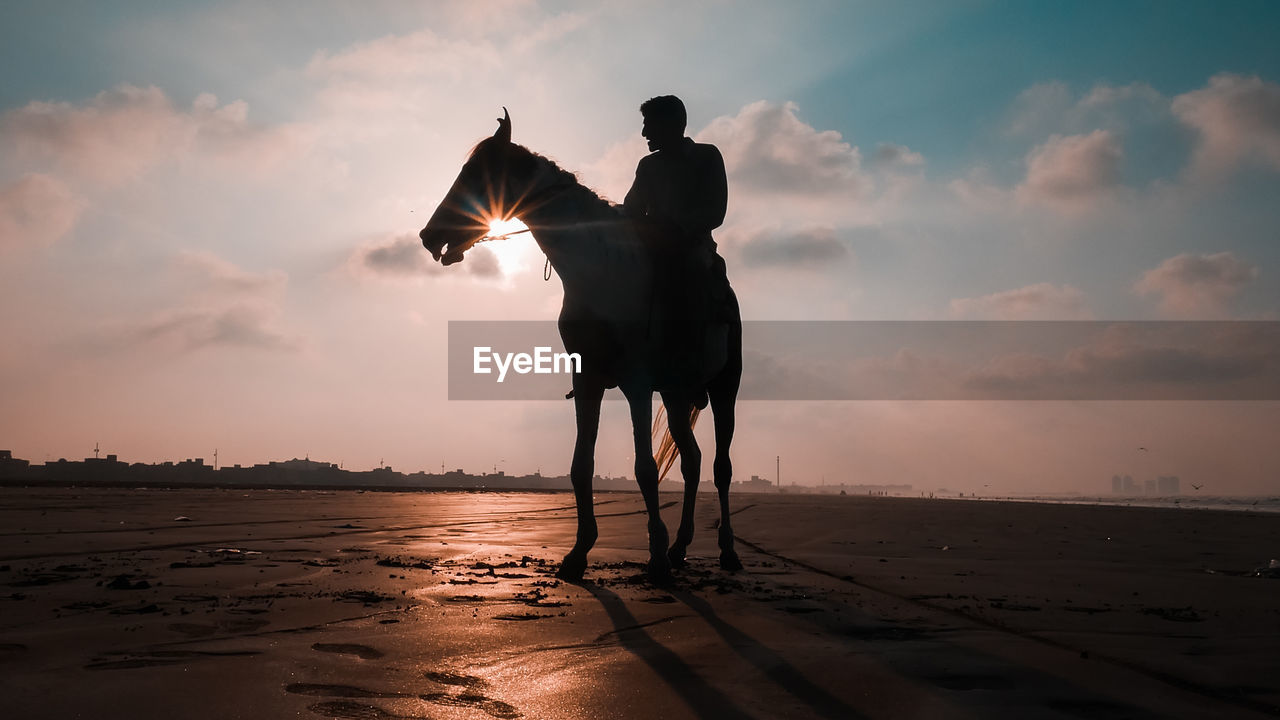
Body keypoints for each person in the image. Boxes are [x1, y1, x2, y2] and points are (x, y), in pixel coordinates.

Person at [622, 96, 730, 388]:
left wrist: (673, 227)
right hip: (653, 249)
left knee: (693, 274)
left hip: (692, 249)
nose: (644, 133)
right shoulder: (647, 166)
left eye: (649, 125)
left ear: (670, 124)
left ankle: (693, 363)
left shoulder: (707, 156)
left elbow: (715, 211)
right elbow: (632, 207)